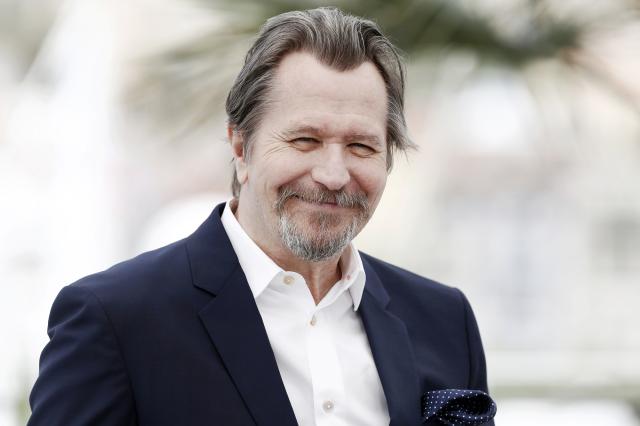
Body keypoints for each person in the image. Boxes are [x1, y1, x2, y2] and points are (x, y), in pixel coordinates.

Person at [28, 7, 494, 426]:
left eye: (360, 146)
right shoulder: (116, 320)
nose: (334, 175)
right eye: (305, 140)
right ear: (240, 147)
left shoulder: (444, 321)